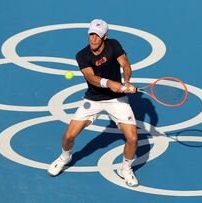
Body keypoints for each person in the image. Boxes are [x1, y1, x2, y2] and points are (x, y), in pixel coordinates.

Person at [48, 19, 139, 187]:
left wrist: (126, 82)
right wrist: (111, 83)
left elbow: (125, 64)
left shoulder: (114, 45)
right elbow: (91, 78)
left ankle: (125, 169)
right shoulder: (82, 55)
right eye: (91, 34)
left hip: (116, 100)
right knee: (69, 135)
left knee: (133, 138)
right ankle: (65, 157)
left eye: (97, 35)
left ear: (105, 36)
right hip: (93, 99)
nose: (93, 38)